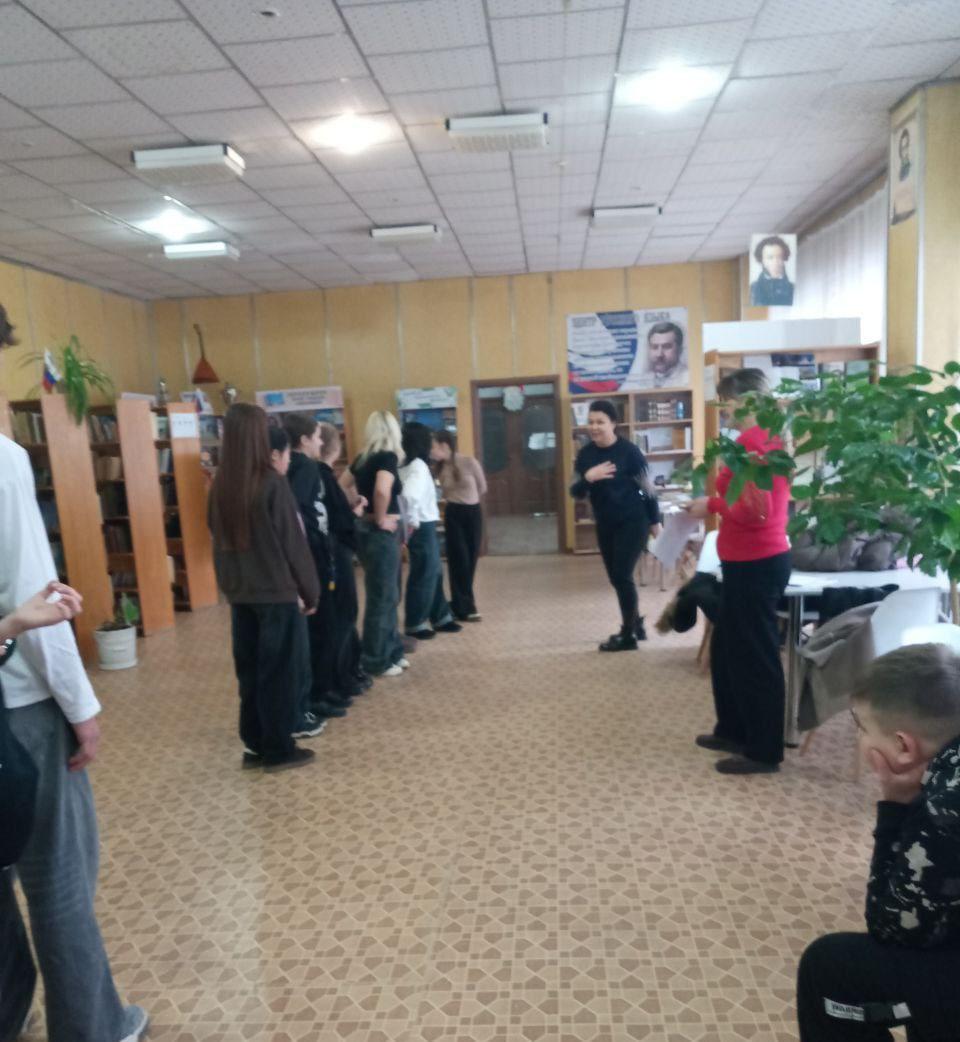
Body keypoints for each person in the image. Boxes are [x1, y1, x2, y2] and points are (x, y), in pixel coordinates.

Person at [0, 337, 149, 1041]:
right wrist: (81, 708)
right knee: (57, 876)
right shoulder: (3, 462)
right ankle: (92, 1027)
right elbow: (39, 599)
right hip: (19, 707)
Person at [796, 643, 960, 1041]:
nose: (859, 737)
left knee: (829, 970)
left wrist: (895, 804)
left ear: (903, 747)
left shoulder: (943, 807)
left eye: (862, 727)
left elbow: (892, 926)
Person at [686, 368, 791, 774]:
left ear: (745, 401)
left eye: (725, 401)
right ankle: (732, 729)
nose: (722, 409)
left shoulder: (755, 443)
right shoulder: (760, 439)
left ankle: (764, 750)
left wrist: (711, 505)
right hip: (745, 560)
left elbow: (756, 511)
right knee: (728, 648)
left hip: (757, 562)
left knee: (755, 657)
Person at [208, 403, 320, 771]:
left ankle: (255, 743)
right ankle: (279, 747)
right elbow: (293, 544)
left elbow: (214, 534)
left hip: (240, 594)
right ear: (258, 436)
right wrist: (310, 591)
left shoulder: (220, 485)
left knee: (251, 671)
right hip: (275, 593)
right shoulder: (271, 482)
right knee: (281, 671)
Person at [570, 399, 661, 651]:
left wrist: (655, 521)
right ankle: (636, 623)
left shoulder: (630, 452)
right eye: (591, 422)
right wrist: (589, 478)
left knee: (621, 575)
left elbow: (648, 489)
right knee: (616, 577)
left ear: (613, 424)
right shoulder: (585, 455)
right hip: (605, 523)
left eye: (600, 422)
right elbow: (575, 491)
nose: (594, 427)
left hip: (633, 521)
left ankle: (628, 635)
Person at [282, 413, 352, 723]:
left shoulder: (291, 468)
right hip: (314, 554)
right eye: (316, 436)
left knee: (319, 627)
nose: (321, 442)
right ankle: (319, 693)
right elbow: (300, 512)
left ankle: (321, 689)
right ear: (304, 440)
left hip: (307, 553)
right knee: (323, 625)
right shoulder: (307, 468)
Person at [316, 422, 372, 698]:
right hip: (335, 554)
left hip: (329, 553)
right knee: (344, 613)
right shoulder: (323, 477)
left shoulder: (319, 476)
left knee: (343, 614)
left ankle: (349, 669)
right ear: (335, 448)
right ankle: (341, 676)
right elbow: (339, 521)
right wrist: (357, 512)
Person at [350, 411, 408, 678]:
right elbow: (382, 490)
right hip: (380, 534)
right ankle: (375, 659)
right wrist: (380, 518)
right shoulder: (387, 457)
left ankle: (392, 650)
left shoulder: (362, 459)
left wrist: (360, 508)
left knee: (388, 593)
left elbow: (341, 486)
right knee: (383, 596)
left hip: (366, 531)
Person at [400, 422, 461, 640]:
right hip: (422, 526)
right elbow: (409, 497)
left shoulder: (406, 463)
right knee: (424, 573)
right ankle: (415, 623)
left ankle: (441, 616)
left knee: (434, 572)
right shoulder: (418, 466)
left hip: (422, 525)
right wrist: (412, 520)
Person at [431, 429, 487, 623]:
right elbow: (443, 493)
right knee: (458, 560)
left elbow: (482, 487)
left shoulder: (469, 462)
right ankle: (467, 607)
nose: (431, 451)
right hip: (453, 513)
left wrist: (468, 498)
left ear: (444, 445)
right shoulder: (439, 468)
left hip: (472, 513)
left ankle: (459, 604)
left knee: (470, 559)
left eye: (433, 447)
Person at [750, 235, 795, 306]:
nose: (775, 262)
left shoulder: (792, 288)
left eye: (779, 257)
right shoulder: (753, 289)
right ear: (762, 260)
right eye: (770, 257)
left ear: (784, 258)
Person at [641, 321, 688, 388]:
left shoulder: (688, 379)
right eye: (654, 347)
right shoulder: (641, 381)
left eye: (666, 347)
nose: (659, 354)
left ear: (680, 350)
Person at [891, 126, 916, 225]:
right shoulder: (900, 172)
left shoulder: (911, 170)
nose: (904, 150)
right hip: (901, 213)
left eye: (906, 146)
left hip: (908, 211)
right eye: (902, 148)